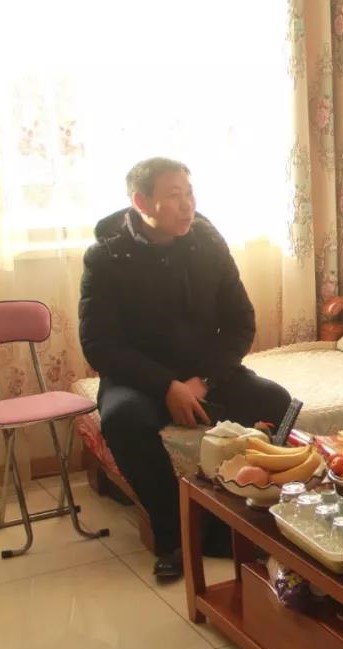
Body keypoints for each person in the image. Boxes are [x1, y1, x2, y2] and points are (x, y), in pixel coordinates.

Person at [79, 157, 292, 580]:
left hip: (201, 374)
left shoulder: (207, 243)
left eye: (189, 193)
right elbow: (99, 344)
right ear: (141, 202)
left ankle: (245, 515)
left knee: (276, 401)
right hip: (139, 379)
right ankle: (175, 535)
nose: (186, 205)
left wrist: (203, 380)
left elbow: (241, 322)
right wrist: (165, 386)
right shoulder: (106, 257)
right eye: (173, 195)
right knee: (121, 420)